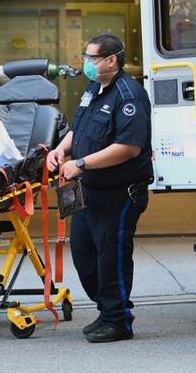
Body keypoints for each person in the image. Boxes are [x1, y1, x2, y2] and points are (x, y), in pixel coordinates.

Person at [46, 33, 152, 343]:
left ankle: (118, 320)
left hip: (118, 192)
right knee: (83, 253)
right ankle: (107, 310)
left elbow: (129, 147)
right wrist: (61, 150)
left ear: (111, 60)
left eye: (93, 58)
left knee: (111, 256)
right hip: (88, 190)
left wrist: (81, 164)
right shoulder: (94, 88)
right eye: (86, 56)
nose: (87, 63)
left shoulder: (129, 95)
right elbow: (79, 126)